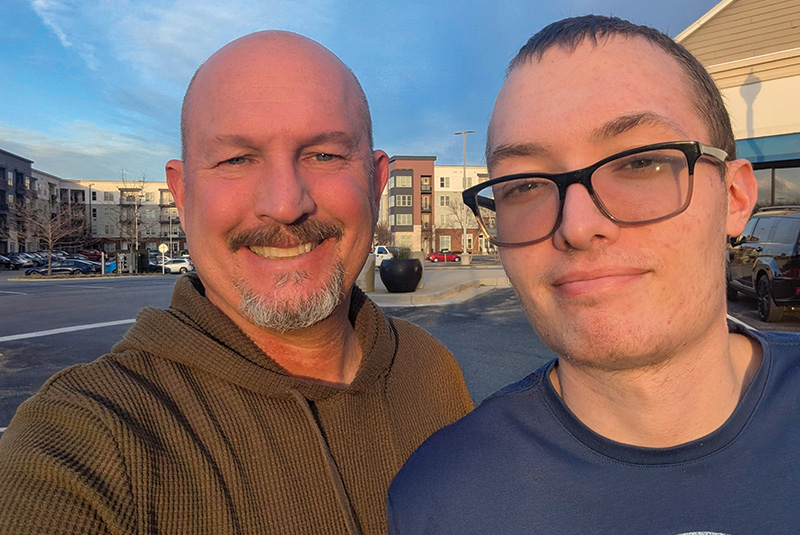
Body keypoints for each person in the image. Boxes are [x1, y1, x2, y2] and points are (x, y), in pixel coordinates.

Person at [0, 32, 472, 534]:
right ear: (182, 196)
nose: (286, 203)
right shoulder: (89, 439)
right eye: (236, 160)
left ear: (377, 184)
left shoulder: (431, 370)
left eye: (324, 155)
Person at [388, 15, 800, 534]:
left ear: (736, 198)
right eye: (523, 186)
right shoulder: (439, 501)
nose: (577, 226)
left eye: (639, 163)